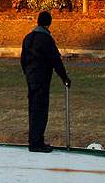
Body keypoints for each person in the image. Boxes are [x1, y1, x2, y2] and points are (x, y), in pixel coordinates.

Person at [20, 10, 71, 152]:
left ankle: (34, 139)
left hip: (31, 78)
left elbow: (23, 60)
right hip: (42, 78)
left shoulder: (28, 38)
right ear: (49, 23)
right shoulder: (46, 40)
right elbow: (55, 60)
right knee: (40, 110)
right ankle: (36, 142)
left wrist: (28, 73)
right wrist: (64, 77)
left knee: (33, 109)